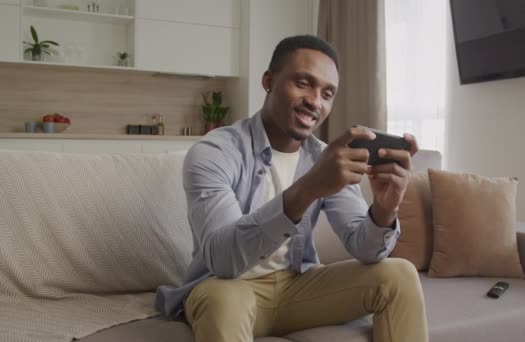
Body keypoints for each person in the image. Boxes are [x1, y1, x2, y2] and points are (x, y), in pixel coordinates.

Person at [155, 34, 428, 342]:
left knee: (400, 274)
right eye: (303, 83)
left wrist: (385, 208)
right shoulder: (214, 151)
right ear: (269, 81)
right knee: (224, 299)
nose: (315, 101)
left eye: (327, 93)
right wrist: (309, 188)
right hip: (227, 286)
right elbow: (224, 260)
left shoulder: (325, 157)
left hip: (298, 287)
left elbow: (364, 248)